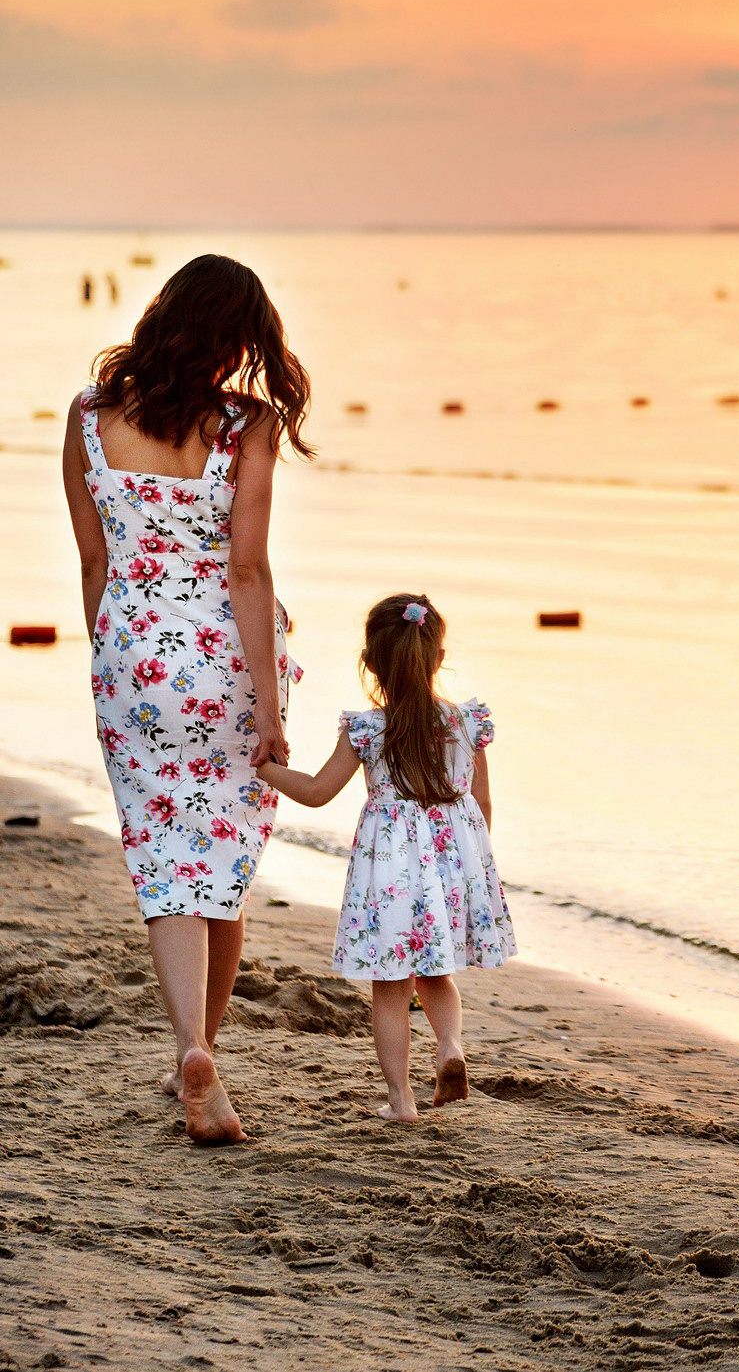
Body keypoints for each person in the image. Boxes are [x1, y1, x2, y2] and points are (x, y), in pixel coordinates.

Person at [62, 254, 312, 1144]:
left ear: (164, 312)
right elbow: (246, 568)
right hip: (226, 659)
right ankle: (203, 1058)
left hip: (132, 651)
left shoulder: (90, 417)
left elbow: (95, 562)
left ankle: (191, 1048)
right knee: (224, 858)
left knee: (166, 856)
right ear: (239, 338)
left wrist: (115, 660)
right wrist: (272, 714)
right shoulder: (247, 425)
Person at [258, 592, 516, 1121]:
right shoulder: (467, 722)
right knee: (437, 973)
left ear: (370, 662)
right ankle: (450, 1048)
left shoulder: (367, 729)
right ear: (437, 657)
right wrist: (473, 873)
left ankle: (401, 1100)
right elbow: (482, 803)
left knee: (391, 985)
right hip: (452, 865)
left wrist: (262, 767)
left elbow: (314, 791)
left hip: (392, 871)